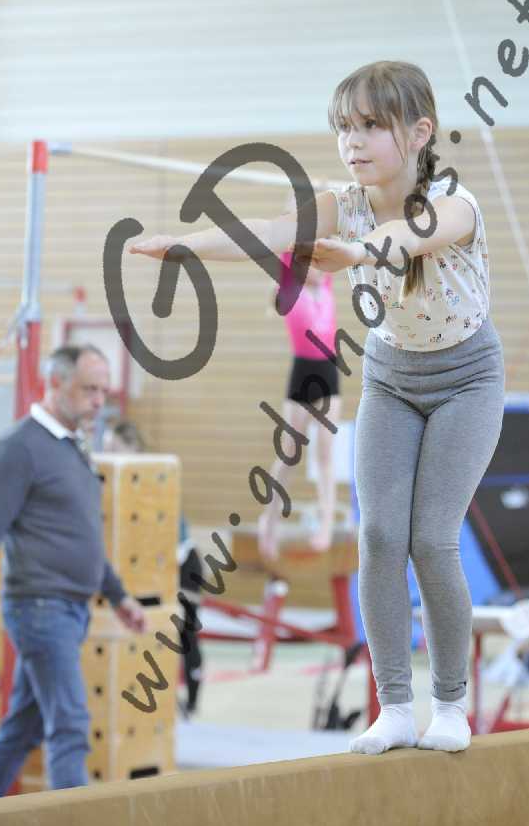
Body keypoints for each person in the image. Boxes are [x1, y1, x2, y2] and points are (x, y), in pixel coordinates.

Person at [130, 60, 504, 757]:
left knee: (431, 539)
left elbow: (406, 239)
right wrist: (186, 247)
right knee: (380, 537)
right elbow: (267, 230)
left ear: (420, 132)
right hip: (392, 379)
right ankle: (395, 707)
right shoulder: (344, 202)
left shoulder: (455, 202)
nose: (351, 142)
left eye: (370, 126)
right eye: (343, 128)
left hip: (466, 382)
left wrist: (356, 251)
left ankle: (451, 705)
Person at [0, 345, 146, 795]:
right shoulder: (18, 449)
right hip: (41, 608)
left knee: (22, 729)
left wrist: (118, 596)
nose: (98, 401)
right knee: (71, 725)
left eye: (103, 391)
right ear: (54, 383)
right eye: (88, 389)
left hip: (71, 609)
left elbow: (83, 538)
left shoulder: (73, 447)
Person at [102, 418, 205, 716]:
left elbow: (167, 534)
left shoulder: (152, 479)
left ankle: (192, 702)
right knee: (146, 630)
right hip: (151, 566)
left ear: (133, 449)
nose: (109, 454)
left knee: (185, 632)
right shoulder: (117, 483)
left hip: (181, 563)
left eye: (115, 448)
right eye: (106, 448)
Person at [257, 238, 342, 560]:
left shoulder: (327, 286)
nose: (319, 269)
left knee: (325, 454)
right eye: (311, 265)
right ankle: (269, 520)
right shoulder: (293, 290)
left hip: (329, 372)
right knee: (289, 454)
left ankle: (326, 524)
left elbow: (332, 242)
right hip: (302, 373)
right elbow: (286, 248)